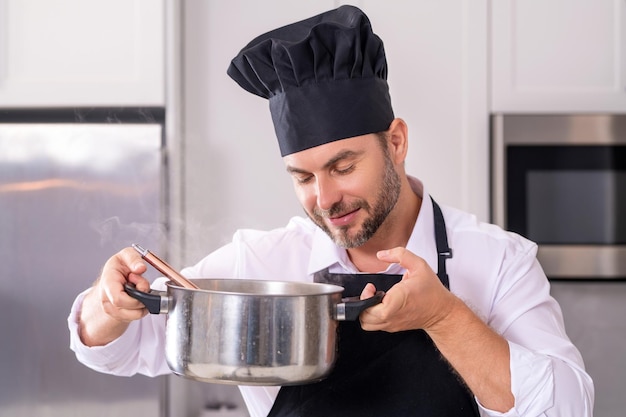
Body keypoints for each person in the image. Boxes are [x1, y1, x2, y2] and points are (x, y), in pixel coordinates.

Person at [69, 5, 593, 417]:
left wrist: (444, 315)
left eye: (343, 167)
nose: (324, 198)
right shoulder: (261, 266)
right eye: (302, 176)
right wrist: (108, 304)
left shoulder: (498, 261)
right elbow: (112, 349)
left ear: (396, 141)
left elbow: (567, 409)